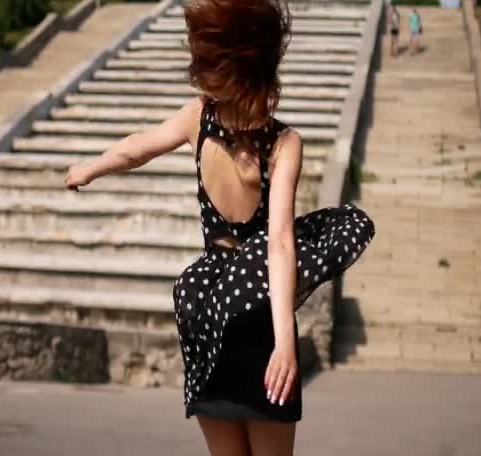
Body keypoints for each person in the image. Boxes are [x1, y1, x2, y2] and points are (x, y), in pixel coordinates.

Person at [63, 0, 375, 454]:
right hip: (259, 325)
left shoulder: (198, 117)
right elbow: (281, 245)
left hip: (209, 317)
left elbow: (137, 149)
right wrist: (286, 345)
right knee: (340, 225)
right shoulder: (284, 144)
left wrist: (88, 168)